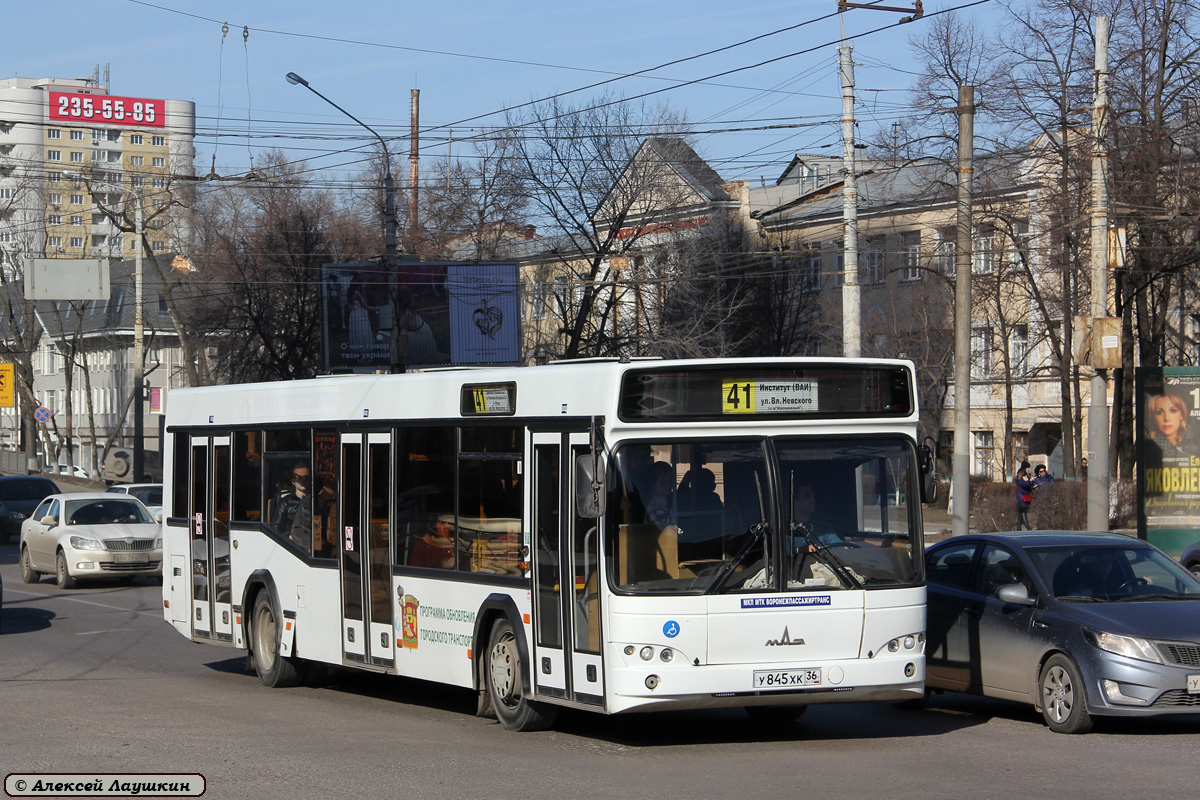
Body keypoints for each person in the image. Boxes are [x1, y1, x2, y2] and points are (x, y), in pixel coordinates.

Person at [272, 461, 313, 552]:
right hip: (292, 549)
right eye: (298, 478)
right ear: (293, 481)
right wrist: (288, 537)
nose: (302, 481)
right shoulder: (286, 502)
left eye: (306, 477)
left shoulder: (316, 501)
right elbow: (276, 530)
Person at [1148, 391, 1194, 457]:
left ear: (1182, 415)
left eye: (1173, 411)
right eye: (1159, 412)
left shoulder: (1193, 443)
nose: (1167, 418)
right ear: (1153, 417)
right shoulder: (1151, 449)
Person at [644, 461, 677, 530]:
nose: (669, 485)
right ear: (652, 483)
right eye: (663, 482)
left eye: (671, 481)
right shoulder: (645, 504)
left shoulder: (677, 501)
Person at [1015, 461, 1035, 530]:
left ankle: (1018, 526)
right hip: (1021, 496)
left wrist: (1032, 485)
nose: (1028, 469)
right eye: (1027, 468)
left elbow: (1027, 485)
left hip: (1025, 495)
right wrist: (1029, 481)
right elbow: (1023, 484)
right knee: (1023, 510)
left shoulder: (1026, 475)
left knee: (1022, 511)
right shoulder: (1020, 476)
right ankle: (1027, 526)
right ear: (1024, 468)